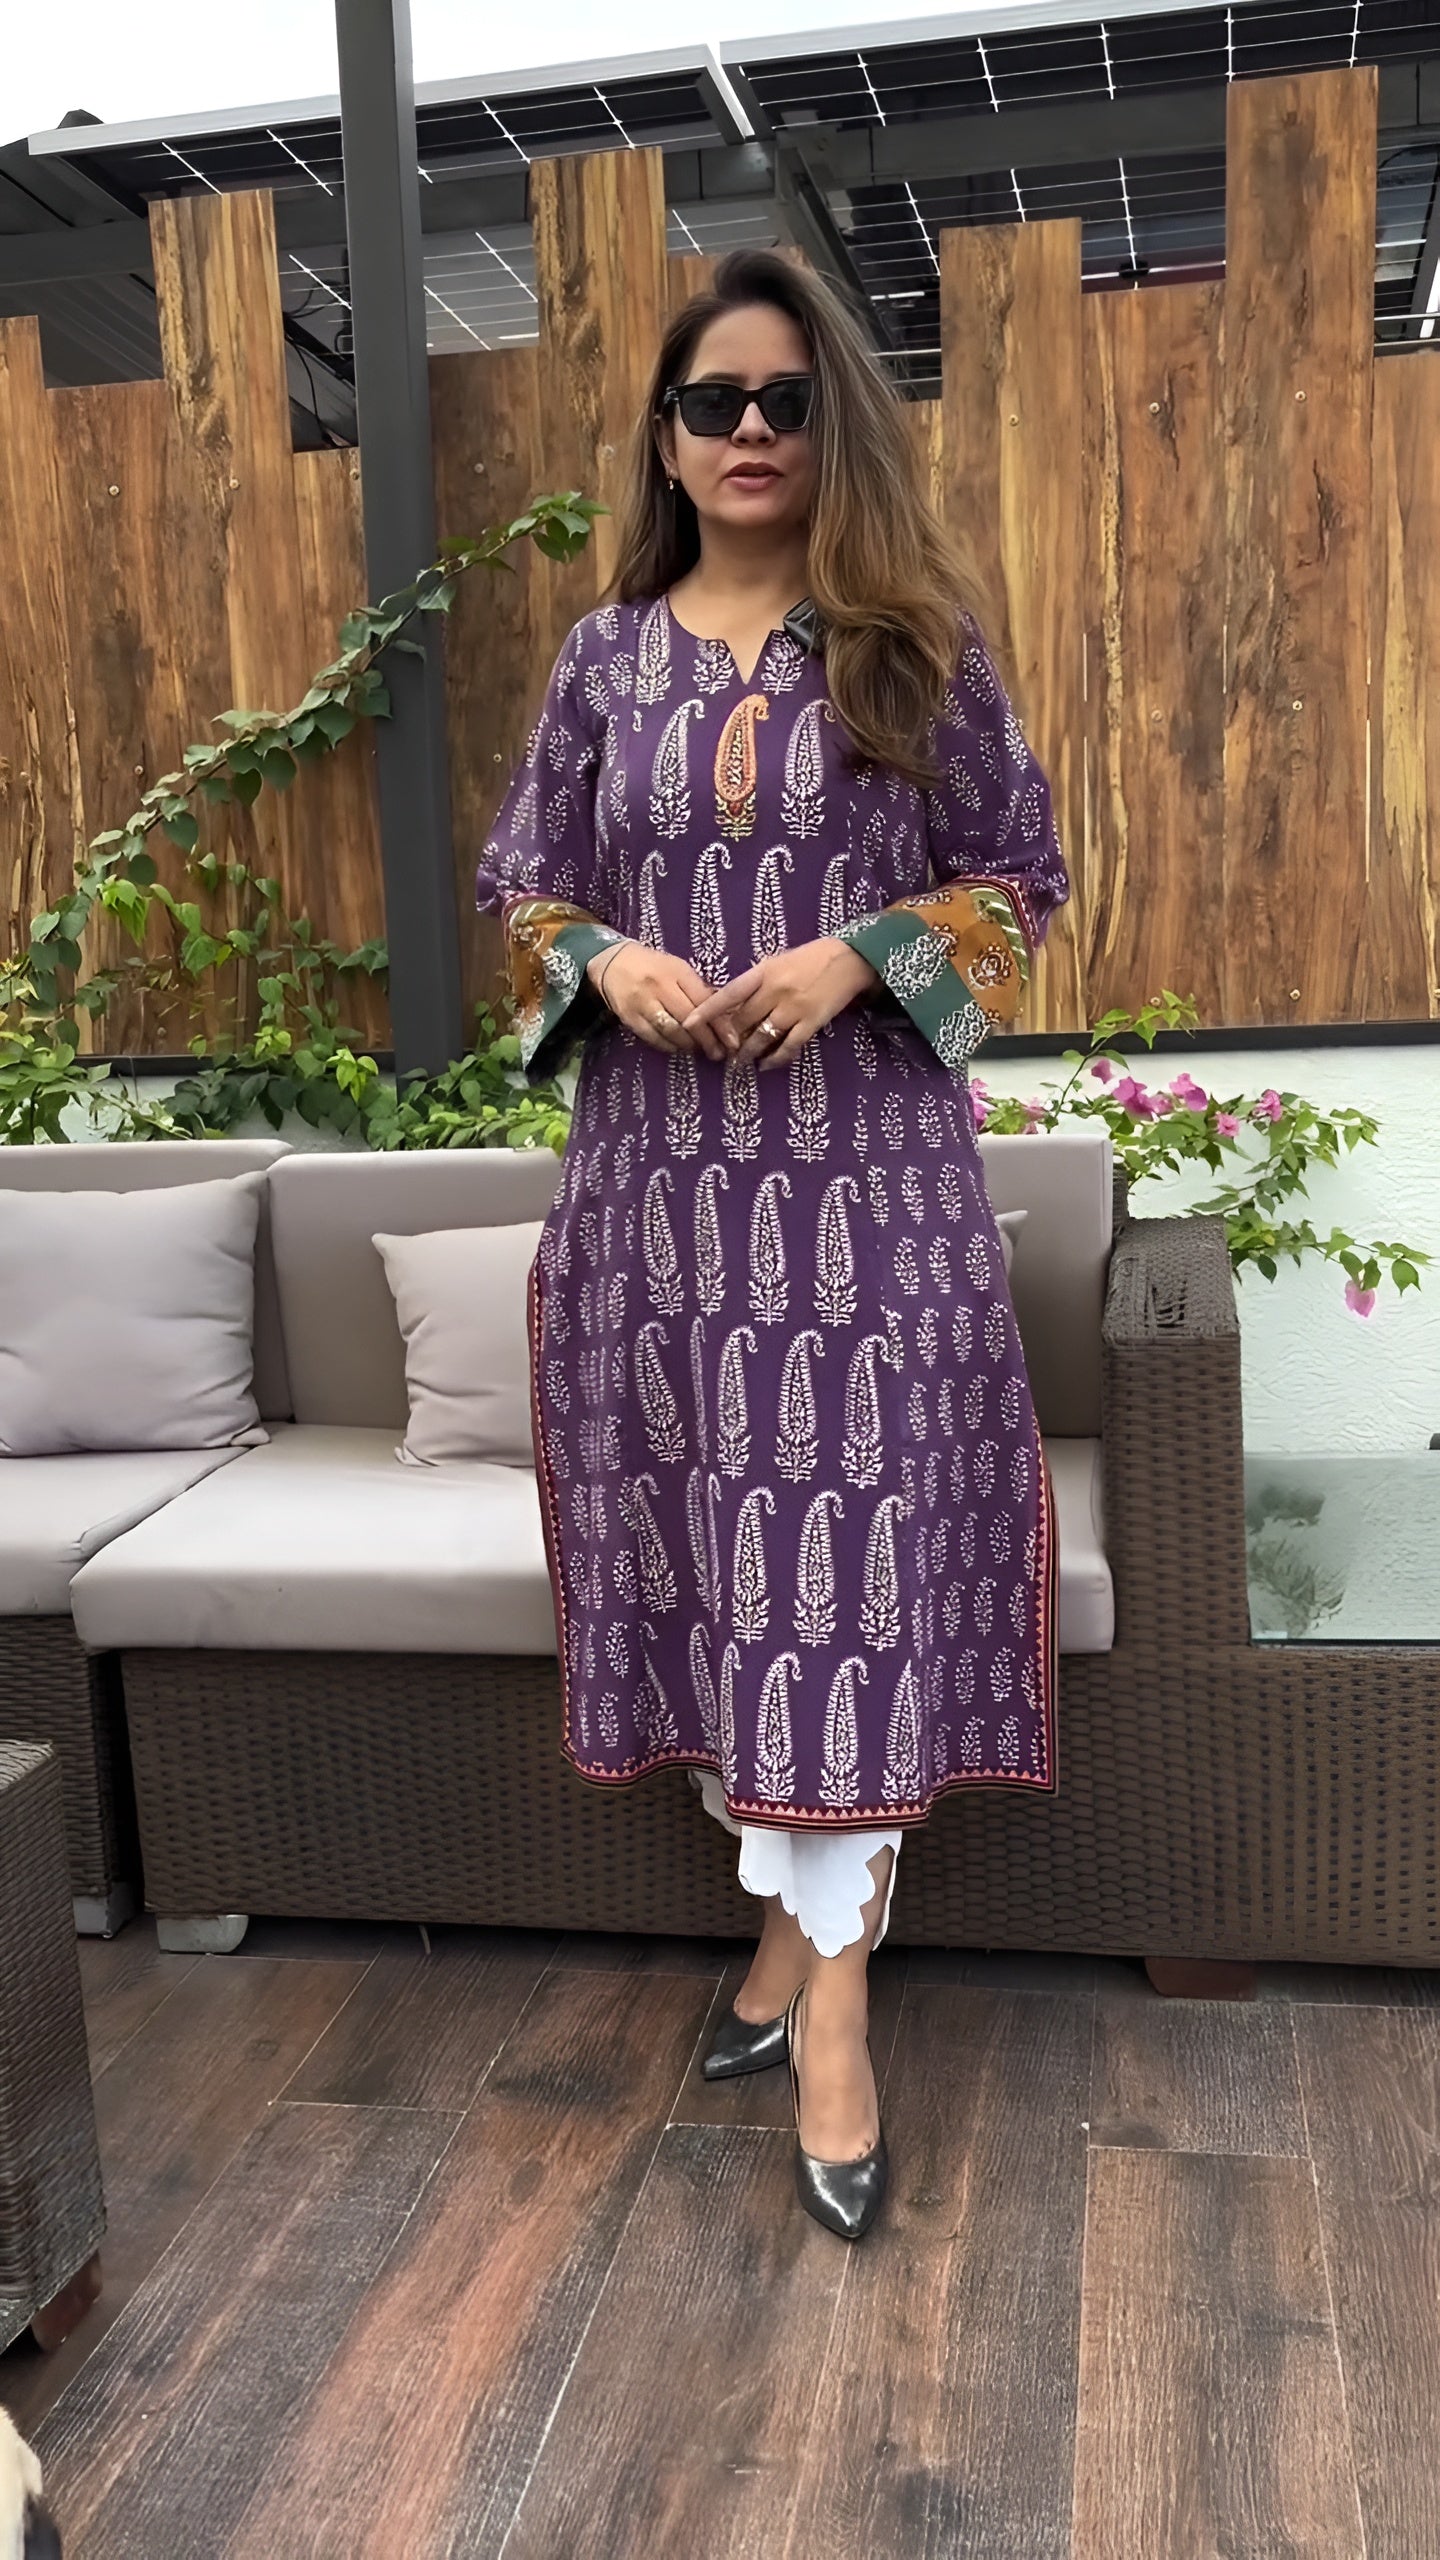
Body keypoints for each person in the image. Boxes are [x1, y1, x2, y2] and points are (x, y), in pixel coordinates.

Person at [475, 246, 1071, 2242]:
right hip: (663, 1206)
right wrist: (608, 957)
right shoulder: (603, 659)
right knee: (734, 1576)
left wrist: (861, 953)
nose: (749, 431)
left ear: (835, 428)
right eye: (713, 401)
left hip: (864, 1203)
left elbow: (1026, 879)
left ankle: (835, 2014)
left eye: (786, 400)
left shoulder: (910, 645)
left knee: (849, 1580)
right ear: (664, 437)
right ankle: (780, 1942)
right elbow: (520, 880)